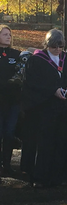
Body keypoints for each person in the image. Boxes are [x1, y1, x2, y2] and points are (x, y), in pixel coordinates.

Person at [20, 29, 67, 187]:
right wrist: (52, 90)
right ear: (47, 45)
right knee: (44, 144)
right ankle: (40, 177)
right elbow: (31, 84)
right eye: (54, 47)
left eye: (60, 47)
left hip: (65, 109)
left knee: (62, 142)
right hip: (44, 110)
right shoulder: (36, 60)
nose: (57, 50)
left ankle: (60, 176)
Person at [0, 25, 21, 176]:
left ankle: (6, 164)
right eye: (4, 34)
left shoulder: (17, 54)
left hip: (12, 101)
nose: (8, 37)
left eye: (9, 34)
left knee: (9, 132)